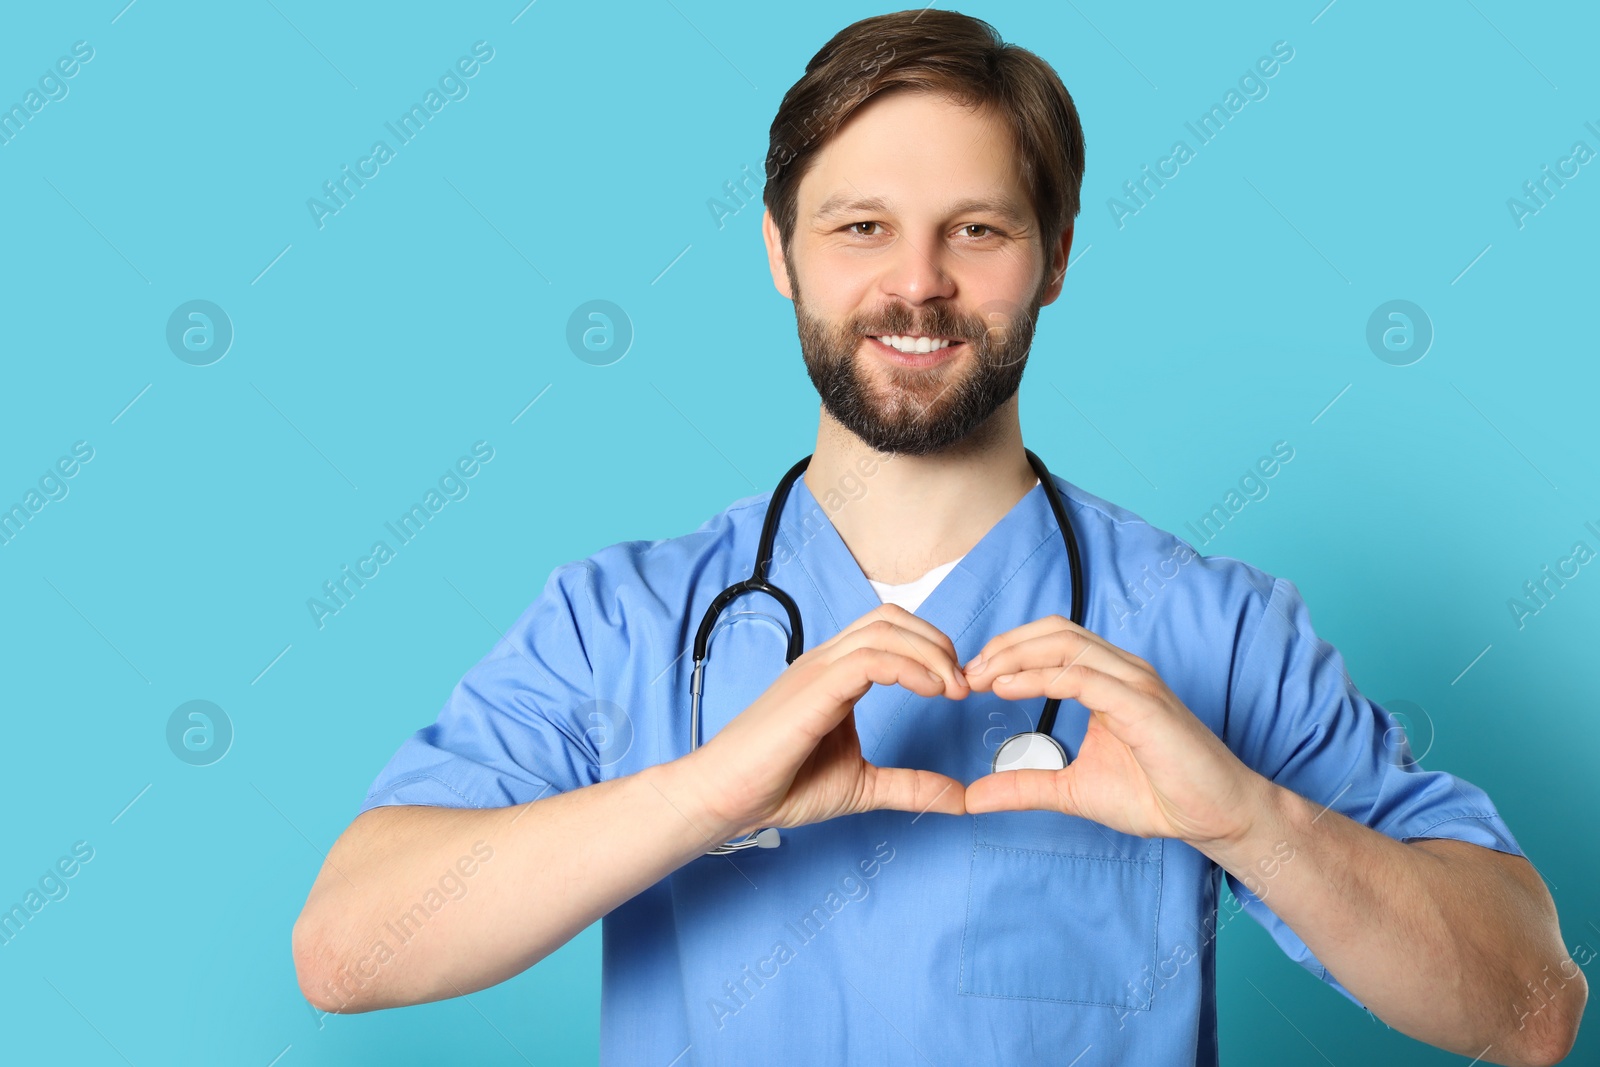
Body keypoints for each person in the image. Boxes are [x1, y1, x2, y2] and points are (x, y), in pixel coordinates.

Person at [291, 10, 1584, 1065]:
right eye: (861, 229)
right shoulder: (622, 624)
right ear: (781, 255)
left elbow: (1534, 1012)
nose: (917, 283)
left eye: (977, 230)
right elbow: (345, 952)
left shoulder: (1215, 633)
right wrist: (703, 797)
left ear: (1057, 255)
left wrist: (1248, 821)